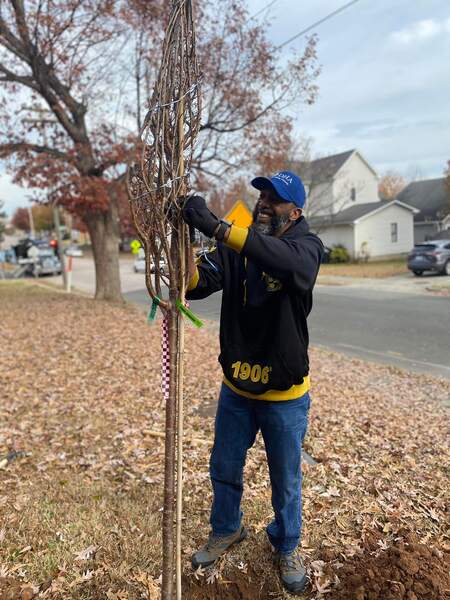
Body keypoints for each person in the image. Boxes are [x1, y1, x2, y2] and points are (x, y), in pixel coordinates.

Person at [182, 171, 323, 595]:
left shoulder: (307, 247)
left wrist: (218, 227)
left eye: (274, 199)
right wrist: (184, 241)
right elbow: (194, 286)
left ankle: (286, 543)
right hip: (237, 390)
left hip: (285, 395)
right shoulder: (237, 247)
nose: (263, 203)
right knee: (224, 467)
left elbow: (287, 262)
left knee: (285, 478)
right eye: (261, 195)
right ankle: (226, 529)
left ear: (295, 212)